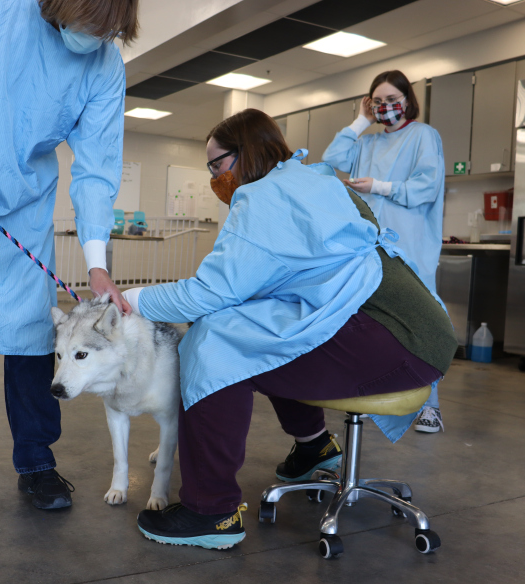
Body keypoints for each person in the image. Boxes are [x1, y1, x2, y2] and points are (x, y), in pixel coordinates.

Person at [121, 109, 457, 550]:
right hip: (421, 331)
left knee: (214, 340)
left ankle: (211, 511)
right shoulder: (312, 179)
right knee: (268, 324)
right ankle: (313, 448)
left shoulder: (261, 198)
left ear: (245, 154)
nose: (214, 177)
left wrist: (129, 300)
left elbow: (208, 295)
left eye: (216, 164)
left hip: (392, 336)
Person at [0, 0, 137, 516]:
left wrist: (97, 260)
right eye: (88, 23)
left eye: (106, 30)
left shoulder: (105, 67)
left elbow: (98, 169)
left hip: (24, 205)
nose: (93, 37)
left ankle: (36, 460)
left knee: (31, 332)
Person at [323, 70, 447, 434]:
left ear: (407, 101)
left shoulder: (424, 136)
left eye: (392, 100)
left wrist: (379, 185)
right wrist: (360, 121)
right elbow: (333, 159)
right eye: (377, 102)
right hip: (370, 246)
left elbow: (426, 186)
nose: (385, 107)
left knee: (422, 321)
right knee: (372, 321)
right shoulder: (369, 143)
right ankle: (376, 397)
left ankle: (431, 406)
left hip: (410, 246)